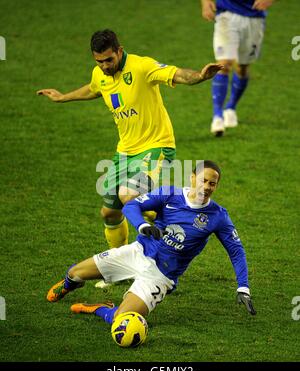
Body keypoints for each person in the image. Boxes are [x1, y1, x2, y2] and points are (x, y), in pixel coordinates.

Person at [37, 29, 223, 250]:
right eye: (99, 61)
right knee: (109, 212)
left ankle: (176, 222)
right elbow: (95, 89)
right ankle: (117, 262)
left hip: (156, 146)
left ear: (119, 51)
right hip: (125, 151)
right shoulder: (100, 74)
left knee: (128, 194)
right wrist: (63, 97)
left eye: (109, 59)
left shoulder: (141, 66)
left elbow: (177, 74)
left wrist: (200, 77)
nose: (105, 66)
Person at [46, 160, 256, 330]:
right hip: (137, 253)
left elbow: (236, 251)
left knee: (122, 320)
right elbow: (131, 206)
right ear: (193, 178)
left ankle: (102, 308)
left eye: (213, 183)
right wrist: (143, 226)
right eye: (204, 180)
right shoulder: (170, 194)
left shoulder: (218, 216)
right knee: (75, 272)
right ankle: (69, 284)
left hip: (160, 276)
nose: (207, 187)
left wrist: (243, 287)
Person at [200, 0, 275, 136]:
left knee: (242, 68)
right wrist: (205, 2)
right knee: (224, 64)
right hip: (226, 15)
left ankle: (231, 107)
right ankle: (217, 116)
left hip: (254, 18)